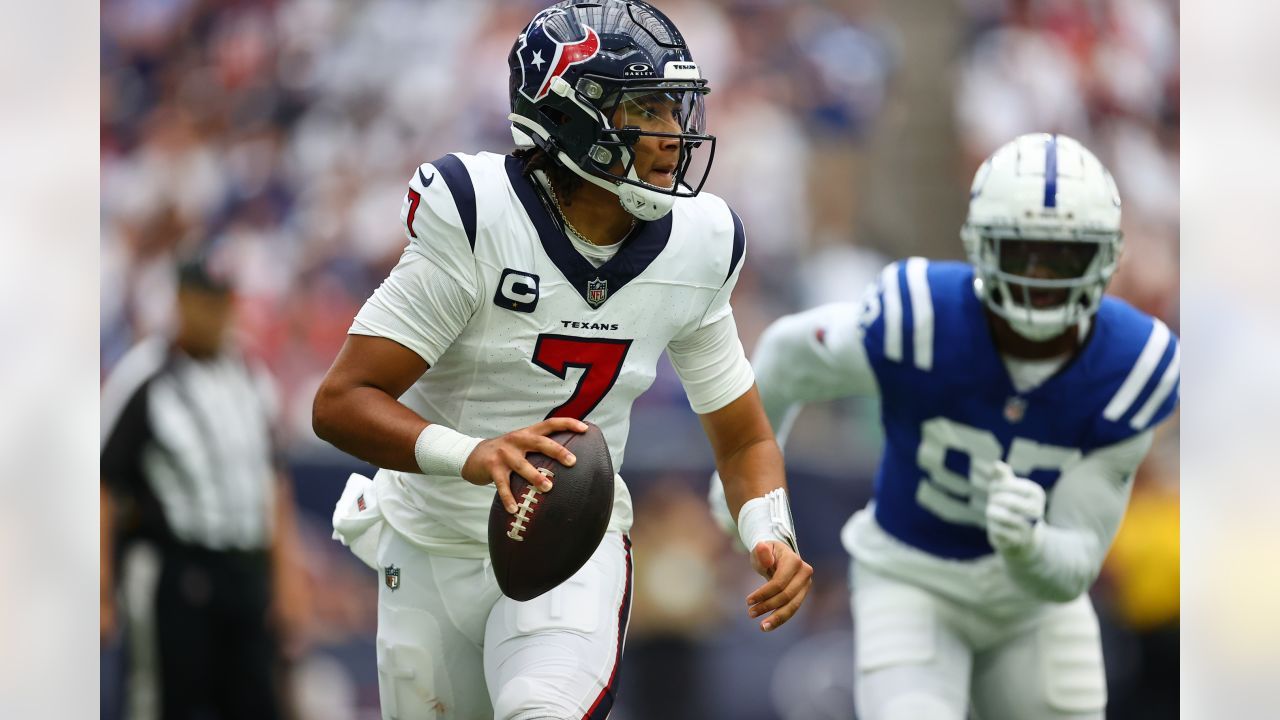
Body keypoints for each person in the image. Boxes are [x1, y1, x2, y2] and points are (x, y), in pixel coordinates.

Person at [312, 2, 813, 718]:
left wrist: (770, 530)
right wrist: (475, 453)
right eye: (649, 110)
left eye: (677, 110)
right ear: (572, 115)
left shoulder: (697, 245)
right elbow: (341, 402)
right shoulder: (480, 216)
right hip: (428, 543)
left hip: (574, 540)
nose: (674, 136)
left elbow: (745, 438)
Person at [711, 133, 1180, 719]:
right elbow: (787, 355)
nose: (1041, 280)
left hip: (1032, 603)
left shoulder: (1132, 364)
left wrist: (1031, 545)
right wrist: (744, 488)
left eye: (1064, 257)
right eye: (1021, 252)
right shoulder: (923, 317)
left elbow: (1075, 564)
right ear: (981, 247)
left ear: (1106, 257)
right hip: (912, 577)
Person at [100, 255, 307, 720]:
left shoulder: (251, 376)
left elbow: (272, 480)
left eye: (221, 303)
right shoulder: (145, 375)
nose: (213, 316)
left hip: (245, 572)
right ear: (180, 302)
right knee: (162, 702)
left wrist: (286, 577)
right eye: (202, 303)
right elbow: (104, 482)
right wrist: (99, 590)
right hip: (174, 570)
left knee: (257, 702)